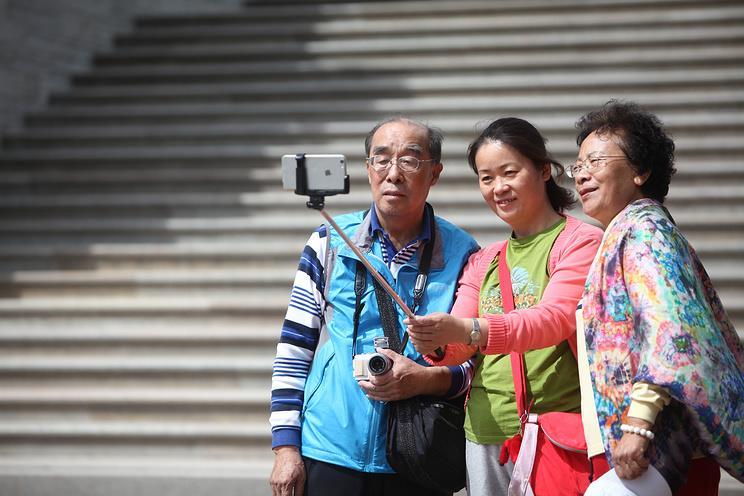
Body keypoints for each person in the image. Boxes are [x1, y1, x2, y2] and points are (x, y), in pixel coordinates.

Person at [268, 117, 479, 496]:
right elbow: (293, 348)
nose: (393, 173)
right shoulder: (329, 241)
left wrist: (425, 379)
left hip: (420, 452)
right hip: (330, 448)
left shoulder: (464, 253)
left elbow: (474, 361)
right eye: (381, 159)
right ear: (367, 169)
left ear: (435, 173)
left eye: (411, 160)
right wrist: (286, 448)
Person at [406, 117, 603, 495]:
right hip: (483, 432)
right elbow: (458, 345)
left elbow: (555, 319)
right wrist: (434, 338)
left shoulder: (581, 241)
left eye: (509, 172)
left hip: (558, 433)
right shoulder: (486, 259)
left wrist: (469, 329)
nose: (498, 188)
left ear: (544, 170)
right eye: (486, 178)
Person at [571, 100, 744, 495]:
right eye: (578, 165)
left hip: (656, 453)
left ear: (641, 171)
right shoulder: (628, 229)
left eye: (596, 161)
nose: (582, 175)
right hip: (640, 451)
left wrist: (638, 424)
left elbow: (672, 329)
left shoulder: (645, 231)